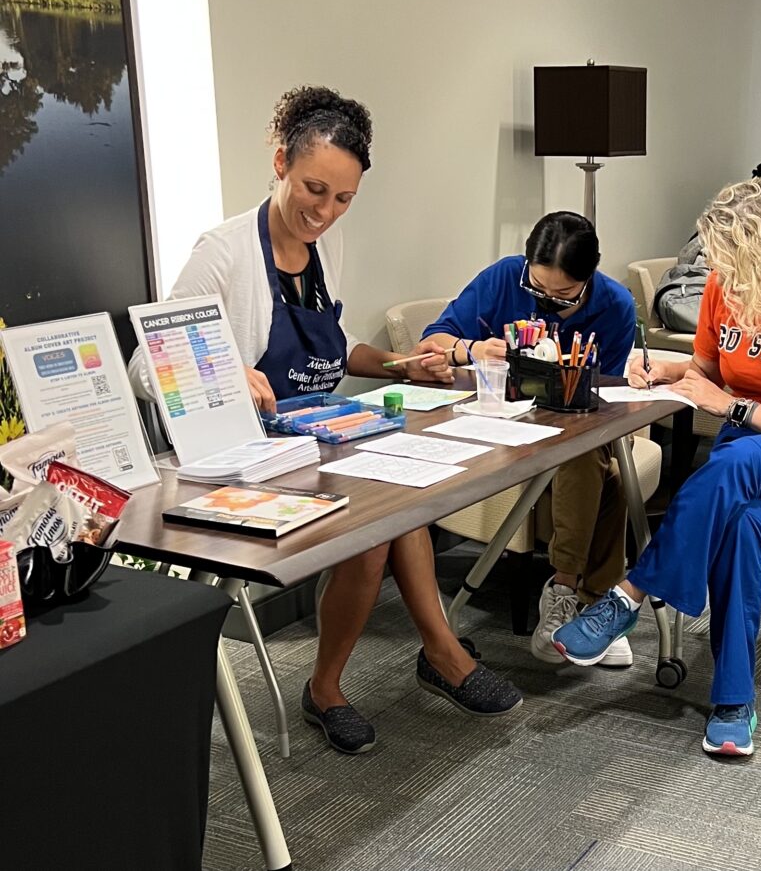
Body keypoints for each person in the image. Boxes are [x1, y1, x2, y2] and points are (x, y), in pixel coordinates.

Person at [128, 85, 522, 754]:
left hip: (316, 437)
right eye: (315, 189)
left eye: (343, 199)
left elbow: (333, 354)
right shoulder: (223, 252)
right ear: (280, 162)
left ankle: (431, 653)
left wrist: (401, 365)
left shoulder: (324, 250)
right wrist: (225, 372)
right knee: (376, 526)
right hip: (247, 457)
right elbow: (145, 366)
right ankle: (361, 679)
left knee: (409, 492)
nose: (326, 211)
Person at [551, 177, 761, 756]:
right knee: (741, 524)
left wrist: (733, 407)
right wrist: (668, 372)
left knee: (735, 465)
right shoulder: (723, 288)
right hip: (755, 457)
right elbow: (709, 371)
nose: (722, 273)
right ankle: (734, 700)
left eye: (735, 260)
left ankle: (632, 593)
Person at [421, 212, 638, 666]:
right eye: (538, 289)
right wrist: (470, 349)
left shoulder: (616, 305)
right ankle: (598, 602)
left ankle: (563, 589)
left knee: (591, 456)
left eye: (562, 295)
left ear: (589, 277)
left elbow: (610, 394)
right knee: (610, 473)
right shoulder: (504, 278)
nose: (546, 301)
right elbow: (433, 342)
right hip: (502, 424)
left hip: (583, 425)